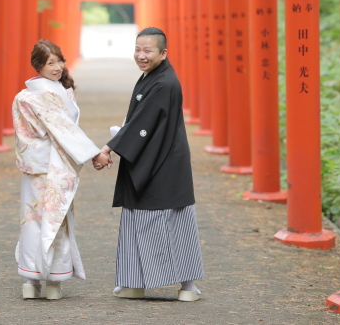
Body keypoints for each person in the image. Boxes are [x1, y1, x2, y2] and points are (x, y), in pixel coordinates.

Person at [93, 27, 204, 302]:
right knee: (138, 220)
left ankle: (188, 285)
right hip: (152, 156)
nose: (141, 56)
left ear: (163, 53)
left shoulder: (164, 83)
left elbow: (141, 124)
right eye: (137, 50)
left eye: (148, 51)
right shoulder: (153, 77)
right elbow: (138, 122)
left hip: (162, 163)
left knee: (172, 222)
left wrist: (108, 148)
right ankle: (134, 282)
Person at [12, 39, 102, 300]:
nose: (57, 67)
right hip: (51, 165)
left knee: (35, 220)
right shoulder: (36, 96)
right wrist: (94, 153)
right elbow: (64, 131)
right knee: (52, 219)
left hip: (39, 163)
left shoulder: (29, 95)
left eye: (59, 61)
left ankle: (37, 281)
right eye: (50, 63)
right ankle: (47, 282)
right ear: (38, 66)